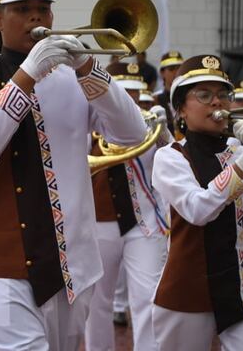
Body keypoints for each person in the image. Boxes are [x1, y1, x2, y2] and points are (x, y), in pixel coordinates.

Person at [0, 0, 147, 350]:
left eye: (43, 9)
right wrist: (26, 75)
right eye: (22, 10)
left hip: (72, 265)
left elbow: (132, 132)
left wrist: (90, 69)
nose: (35, 19)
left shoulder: (73, 79)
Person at [151, 54, 243, 351]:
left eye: (222, 95)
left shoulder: (236, 149)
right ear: (181, 108)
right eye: (204, 95)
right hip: (188, 292)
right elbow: (198, 209)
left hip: (239, 289)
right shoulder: (170, 156)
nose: (217, 103)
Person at [84, 61, 171, 351]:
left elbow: (176, 164)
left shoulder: (151, 123)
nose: (132, 100)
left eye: (136, 94)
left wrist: (165, 137)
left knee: (149, 297)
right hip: (99, 220)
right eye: (125, 93)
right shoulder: (90, 119)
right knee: (97, 301)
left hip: (144, 221)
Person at [154, 50, 184, 134]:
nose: (176, 73)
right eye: (171, 69)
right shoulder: (154, 100)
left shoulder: (190, 99)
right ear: (162, 72)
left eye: (179, 68)